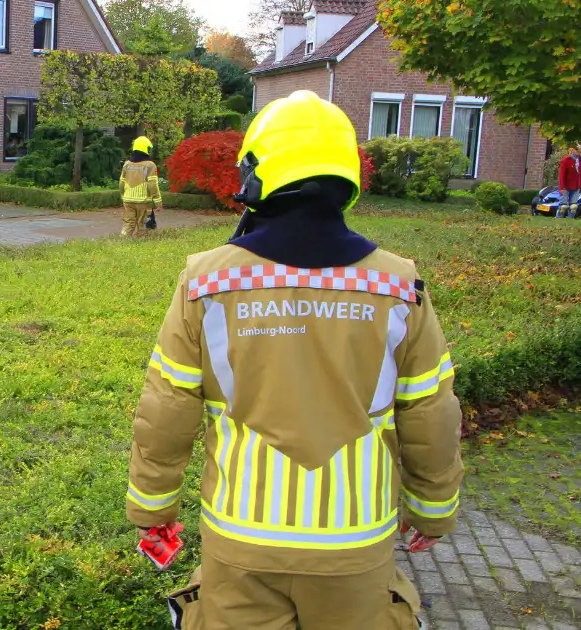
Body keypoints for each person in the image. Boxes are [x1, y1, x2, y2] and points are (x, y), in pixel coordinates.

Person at [125, 91, 462, 629]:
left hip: (241, 535)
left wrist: (153, 510)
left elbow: (167, 407)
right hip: (356, 540)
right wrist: (433, 510)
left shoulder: (207, 282)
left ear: (255, 176)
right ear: (347, 176)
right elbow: (430, 412)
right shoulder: (400, 285)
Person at [120, 136, 164, 237]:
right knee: (142, 224)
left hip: (127, 200)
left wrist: (123, 195)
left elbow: (121, 182)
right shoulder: (150, 165)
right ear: (145, 149)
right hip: (143, 201)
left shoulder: (127, 164)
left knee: (129, 223)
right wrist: (158, 201)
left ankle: (121, 240)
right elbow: (152, 184)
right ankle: (141, 241)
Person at [557, 146, 581, 219]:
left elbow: (580, 174)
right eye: (577, 150)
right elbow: (561, 175)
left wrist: (580, 185)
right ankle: (558, 219)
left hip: (576, 186)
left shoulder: (580, 160)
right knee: (563, 206)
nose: (578, 151)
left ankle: (570, 220)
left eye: (579, 150)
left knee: (573, 206)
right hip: (566, 186)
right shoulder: (566, 160)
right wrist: (561, 187)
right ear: (572, 150)